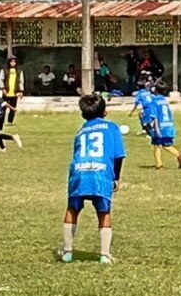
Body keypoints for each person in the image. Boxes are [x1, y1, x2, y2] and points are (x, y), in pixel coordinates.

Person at [60, 93, 126, 264]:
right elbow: (119, 155)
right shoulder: (112, 127)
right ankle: (104, 254)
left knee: (72, 209)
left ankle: (67, 252)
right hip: (100, 173)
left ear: (83, 114)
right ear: (104, 111)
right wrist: (116, 177)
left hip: (79, 172)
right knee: (104, 212)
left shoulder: (80, 131)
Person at [149, 85, 181, 170]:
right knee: (166, 145)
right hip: (168, 125)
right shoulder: (165, 101)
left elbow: (155, 116)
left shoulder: (154, 101)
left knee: (156, 145)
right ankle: (179, 154)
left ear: (156, 90)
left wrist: (156, 128)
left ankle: (159, 164)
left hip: (160, 126)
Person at [0, 56, 24, 125]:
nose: (13, 63)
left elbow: (21, 81)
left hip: (15, 93)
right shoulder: (4, 70)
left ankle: (10, 121)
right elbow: (1, 80)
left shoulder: (19, 71)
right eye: (12, 62)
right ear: (9, 62)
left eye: (14, 62)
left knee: (13, 107)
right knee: (3, 107)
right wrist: (3, 88)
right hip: (6, 92)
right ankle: (2, 121)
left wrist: (21, 91)